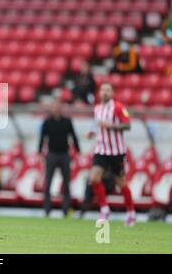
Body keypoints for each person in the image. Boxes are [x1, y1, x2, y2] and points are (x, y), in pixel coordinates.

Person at [87, 82, 136, 227]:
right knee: (94, 177)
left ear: (112, 93)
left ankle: (131, 212)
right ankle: (104, 208)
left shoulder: (118, 107)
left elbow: (128, 125)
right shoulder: (97, 109)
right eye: (102, 90)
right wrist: (92, 132)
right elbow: (98, 126)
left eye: (108, 90)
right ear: (99, 93)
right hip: (101, 150)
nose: (105, 92)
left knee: (121, 182)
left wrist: (111, 126)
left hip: (116, 152)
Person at [38, 99, 80, 217]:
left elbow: (73, 136)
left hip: (64, 154)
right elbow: (42, 138)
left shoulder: (67, 121)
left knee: (66, 182)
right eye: (54, 107)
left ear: (61, 108)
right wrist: (39, 153)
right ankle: (47, 209)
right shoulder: (47, 122)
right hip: (51, 154)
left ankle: (66, 209)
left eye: (58, 106)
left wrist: (78, 151)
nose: (56, 109)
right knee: (48, 182)